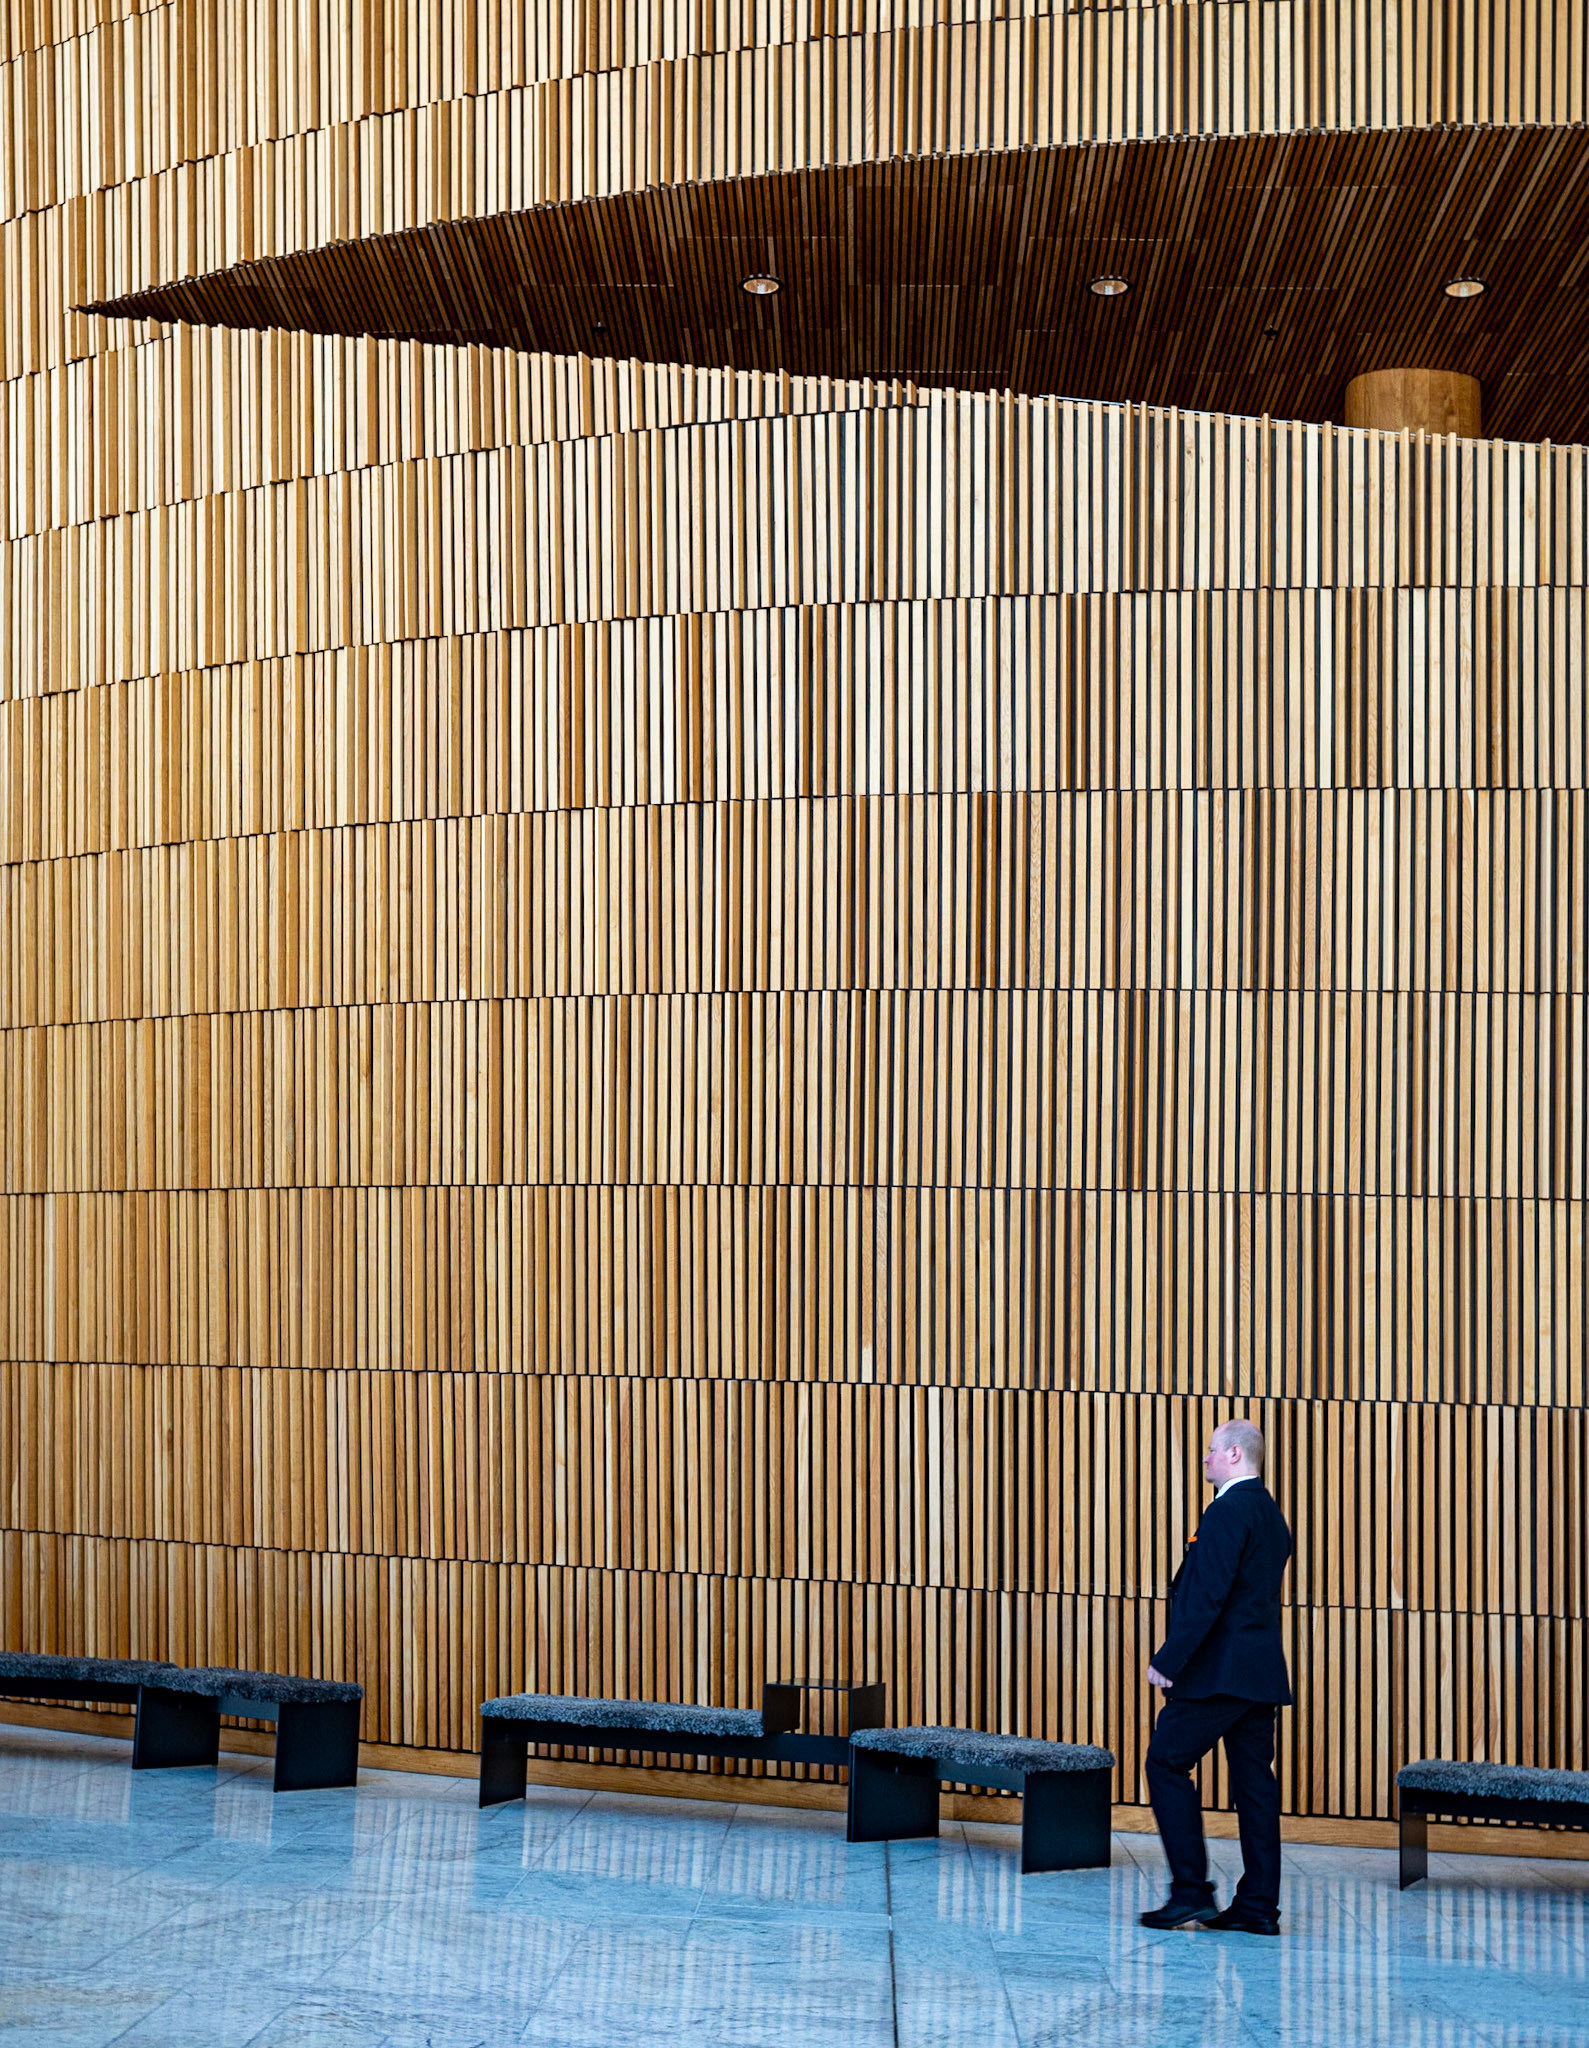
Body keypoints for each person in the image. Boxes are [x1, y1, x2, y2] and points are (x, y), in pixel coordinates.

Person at [1138, 1417, 1293, 1936]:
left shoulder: (1227, 1510)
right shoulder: (1271, 1516)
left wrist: (1169, 1659)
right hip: (1259, 1675)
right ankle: (1257, 1906)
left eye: (1209, 1451)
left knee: (1164, 1762)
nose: (1203, 1460)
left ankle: (1189, 1893)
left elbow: (1208, 1595)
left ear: (1232, 1455)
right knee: (1254, 1787)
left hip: (1219, 1675)